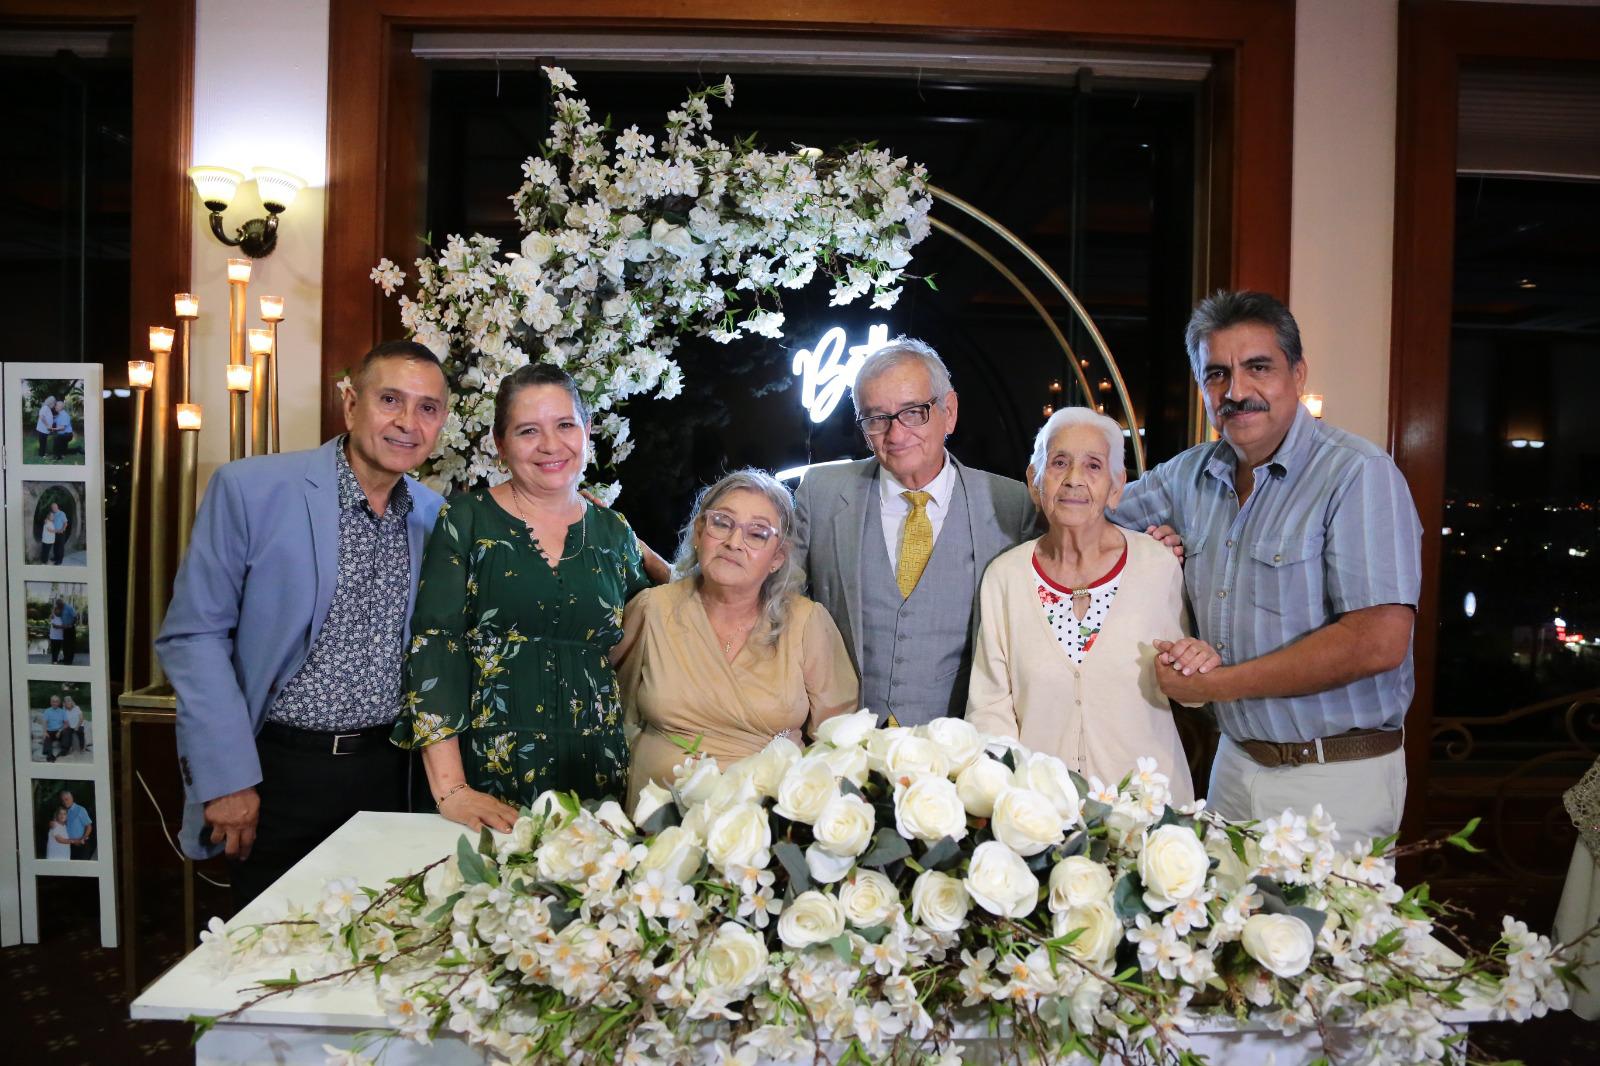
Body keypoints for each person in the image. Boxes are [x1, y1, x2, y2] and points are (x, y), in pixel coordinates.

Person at [1110, 291, 1422, 842]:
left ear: (1297, 374)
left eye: (1258, 367)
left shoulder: (1358, 473)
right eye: (1217, 374)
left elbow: (1377, 642)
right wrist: (1140, 548)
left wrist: (1219, 685)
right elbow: (1085, 520)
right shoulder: (1187, 476)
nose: (1236, 392)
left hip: (1336, 779)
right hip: (1233, 768)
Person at [158, 340, 449, 908]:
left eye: (427, 408)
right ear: (351, 404)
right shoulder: (250, 490)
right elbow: (194, 636)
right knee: (269, 941)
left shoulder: (435, 518)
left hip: (390, 776)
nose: (407, 422)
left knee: (382, 943)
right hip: (277, 774)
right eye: (390, 399)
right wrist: (227, 778)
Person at [394, 363, 653, 831]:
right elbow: (435, 648)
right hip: (486, 775)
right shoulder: (466, 520)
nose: (551, 445)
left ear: (588, 431)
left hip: (595, 771)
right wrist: (452, 790)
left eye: (565, 425)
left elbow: (653, 631)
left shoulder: (614, 532)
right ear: (500, 444)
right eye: (528, 430)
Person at [792, 337, 1036, 728]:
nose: (896, 434)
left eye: (912, 412)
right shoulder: (821, 494)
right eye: (876, 418)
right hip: (841, 740)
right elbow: (774, 604)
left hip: (961, 745)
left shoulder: (1011, 504)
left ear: (949, 412)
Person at [966, 408, 1197, 801]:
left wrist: (1195, 665)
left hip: (1148, 806)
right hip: (1041, 811)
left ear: (1116, 486)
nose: (1074, 479)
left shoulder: (1157, 564)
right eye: (1059, 463)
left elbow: (1192, 690)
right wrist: (1013, 800)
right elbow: (990, 710)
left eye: (1093, 465)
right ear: (1034, 481)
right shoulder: (1005, 577)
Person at [619, 469, 858, 809]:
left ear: (777, 557)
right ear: (699, 532)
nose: (734, 542)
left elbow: (838, 741)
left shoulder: (807, 622)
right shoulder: (652, 609)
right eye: (722, 523)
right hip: (655, 815)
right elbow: (616, 713)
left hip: (765, 820)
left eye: (757, 534)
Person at [60, 790, 93, 860]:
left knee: (82, 865)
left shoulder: (80, 809)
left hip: (82, 845)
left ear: (72, 798)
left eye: (66, 799)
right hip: (70, 845)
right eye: (63, 800)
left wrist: (82, 839)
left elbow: (89, 826)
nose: (64, 802)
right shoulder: (64, 812)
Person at [41, 696, 66, 762]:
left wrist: (60, 731)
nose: (55, 703)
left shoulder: (62, 711)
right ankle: (50, 755)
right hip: (50, 731)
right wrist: (45, 732)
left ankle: (64, 750)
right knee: (47, 738)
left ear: (59, 703)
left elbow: (66, 724)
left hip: (59, 731)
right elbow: (44, 722)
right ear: (50, 702)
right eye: (53, 701)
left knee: (66, 732)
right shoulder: (47, 711)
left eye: (56, 701)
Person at [58, 598, 78, 665]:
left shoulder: (69, 607)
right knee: (65, 645)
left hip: (70, 628)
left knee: (71, 645)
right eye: (58, 605)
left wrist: (71, 625)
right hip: (65, 629)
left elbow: (75, 617)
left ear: (62, 603)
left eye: (59, 605)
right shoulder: (61, 608)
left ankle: (70, 660)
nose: (58, 606)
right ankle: (65, 658)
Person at [47, 599, 65, 663]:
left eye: (59, 610)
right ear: (55, 610)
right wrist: (63, 626)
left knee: (57, 650)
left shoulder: (63, 617)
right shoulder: (53, 616)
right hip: (53, 636)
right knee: (53, 650)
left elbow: (64, 625)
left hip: (60, 637)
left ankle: (55, 660)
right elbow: (54, 626)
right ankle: (54, 661)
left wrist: (63, 626)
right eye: (56, 610)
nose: (58, 611)